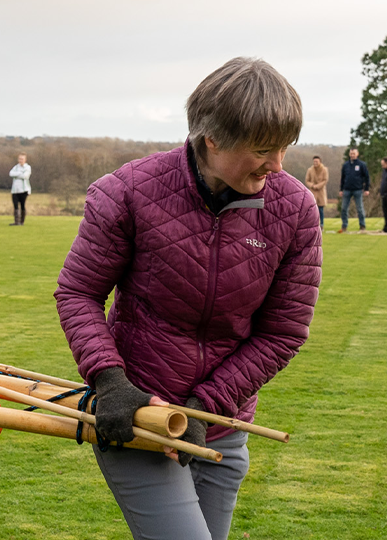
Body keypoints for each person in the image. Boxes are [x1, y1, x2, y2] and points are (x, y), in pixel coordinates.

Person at [54, 57, 321, 540]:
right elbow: (78, 292)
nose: (277, 165)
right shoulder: (127, 192)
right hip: (138, 416)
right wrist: (112, 383)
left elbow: (283, 332)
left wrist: (208, 404)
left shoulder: (296, 209)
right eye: (263, 149)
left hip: (223, 423)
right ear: (212, 138)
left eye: (285, 148)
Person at [338, 147, 370, 233]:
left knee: (360, 208)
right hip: (347, 190)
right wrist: (341, 189)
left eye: (354, 153)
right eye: (351, 153)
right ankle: (344, 226)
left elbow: (367, 177)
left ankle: (362, 225)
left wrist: (366, 189)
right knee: (344, 208)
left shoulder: (361, 165)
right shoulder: (346, 165)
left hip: (358, 190)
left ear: (357, 154)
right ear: (349, 154)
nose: (352, 155)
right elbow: (343, 178)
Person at [304, 155, 328, 228]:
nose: (315, 163)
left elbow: (325, 180)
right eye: (314, 161)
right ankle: (313, 224)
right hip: (312, 191)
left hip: (321, 192)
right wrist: (312, 185)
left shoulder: (324, 169)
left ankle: (322, 224)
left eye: (317, 161)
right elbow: (307, 180)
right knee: (312, 209)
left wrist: (318, 186)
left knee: (320, 209)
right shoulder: (310, 170)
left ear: (320, 162)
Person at [9, 153, 32, 226]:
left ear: (25, 160)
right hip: (15, 190)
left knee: (22, 205)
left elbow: (25, 176)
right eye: (19, 159)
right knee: (15, 205)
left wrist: (16, 174)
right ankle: (16, 221)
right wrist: (19, 173)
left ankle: (21, 222)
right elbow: (11, 173)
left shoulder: (27, 167)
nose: (20, 160)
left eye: (22, 159)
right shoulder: (16, 167)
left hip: (24, 190)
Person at [380, 158, 387, 233]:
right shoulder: (384, 171)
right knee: (385, 212)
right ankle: (386, 227)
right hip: (384, 195)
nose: (382, 166)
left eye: (383, 164)